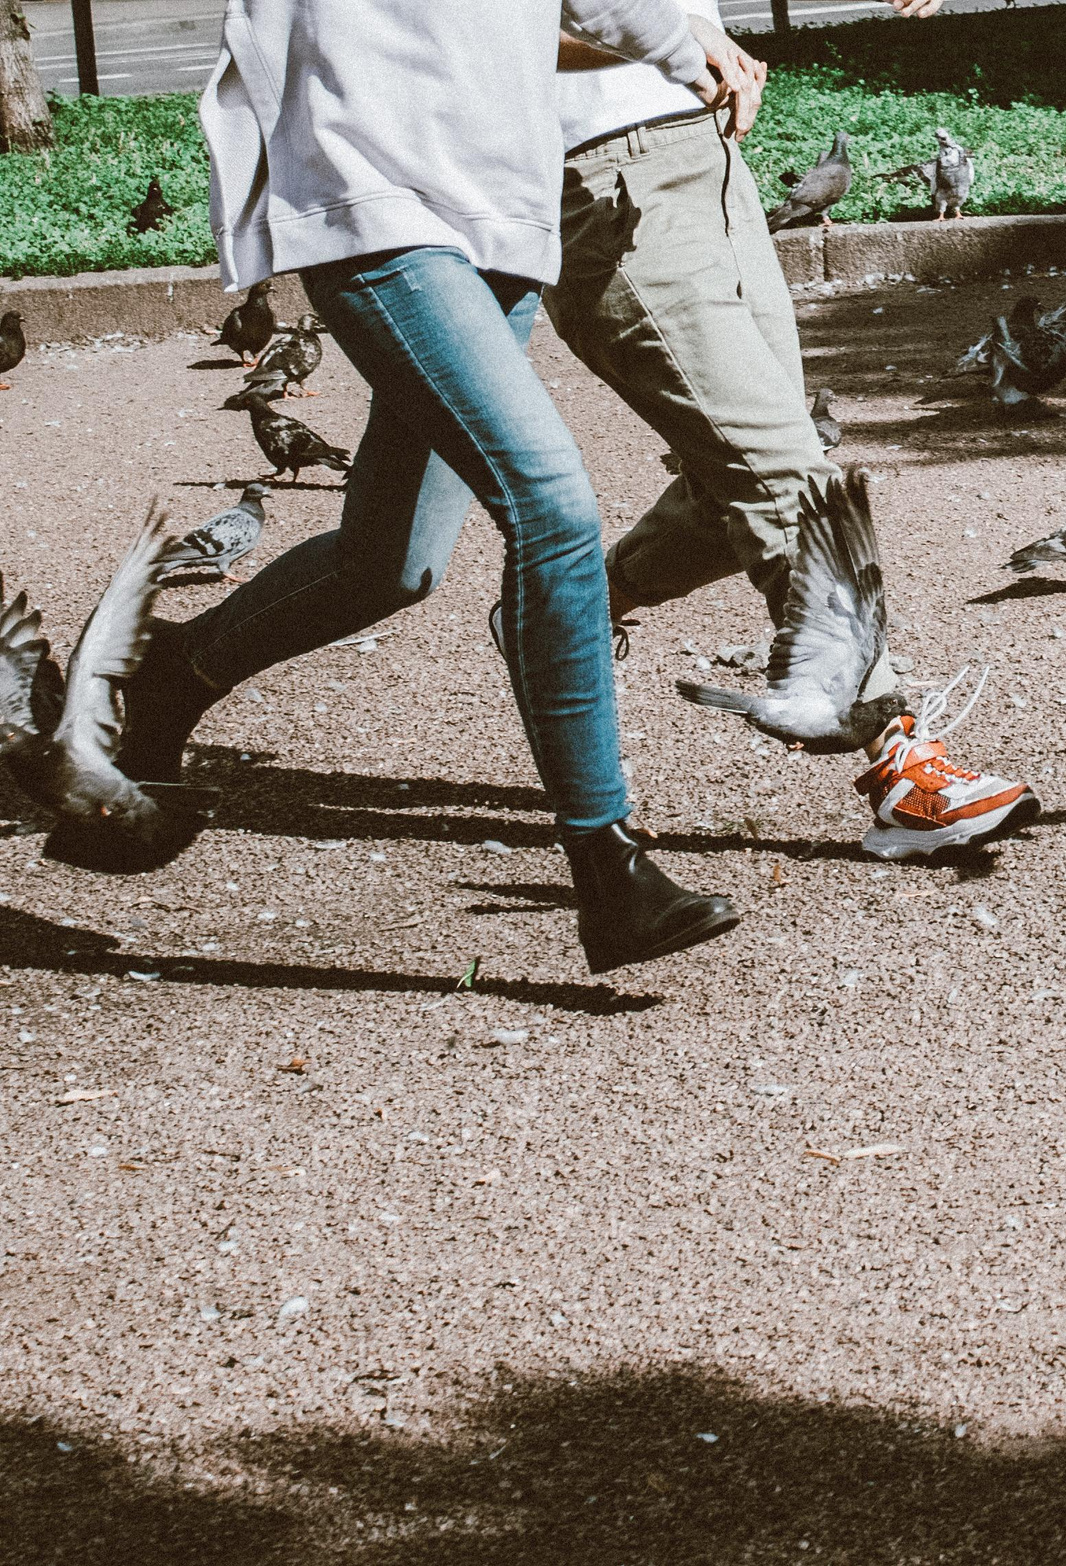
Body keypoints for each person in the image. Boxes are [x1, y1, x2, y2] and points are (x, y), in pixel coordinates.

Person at [122, 0, 753, 974]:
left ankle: (174, 673)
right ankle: (607, 867)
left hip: (496, 214)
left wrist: (675, 51)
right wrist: (688, 37)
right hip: (376, 196)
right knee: (552, 505)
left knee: (390, 564)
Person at [549, 0, 1037, 860]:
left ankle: (568, 613)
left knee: (727, 482)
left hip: (708, 157)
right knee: (785, 473)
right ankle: (901, 768)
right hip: (599, 182)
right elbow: (469, 38)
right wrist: (671, 39)